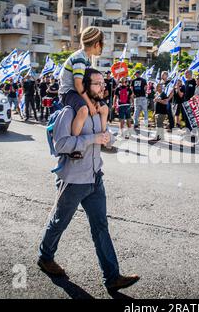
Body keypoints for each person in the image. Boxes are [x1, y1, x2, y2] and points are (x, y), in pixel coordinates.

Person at [38, 68, 140, 291]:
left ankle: (112, 276)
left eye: (102, 83)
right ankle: (45, 257)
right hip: (73, 180)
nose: (102, 87)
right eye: (96, 84)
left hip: (95, 178)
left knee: (100, 227)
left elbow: (108, 140)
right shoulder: (70, 112)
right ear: (84, 87)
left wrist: (106, 131)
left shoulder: (99, 110)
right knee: (59, 222)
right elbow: (61, 145)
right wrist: (92, 138)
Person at [58, 26, 108, 145]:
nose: (102, 46)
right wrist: (90, 104)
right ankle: (74, 142)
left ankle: (103, 137)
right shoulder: (79, 58)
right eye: (102, 43)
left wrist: (95, 99)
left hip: (78, 92)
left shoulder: (86, 59)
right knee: (84, 110)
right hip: (68, 92)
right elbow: (78, 84)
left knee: (104, 108)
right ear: (97, 44)